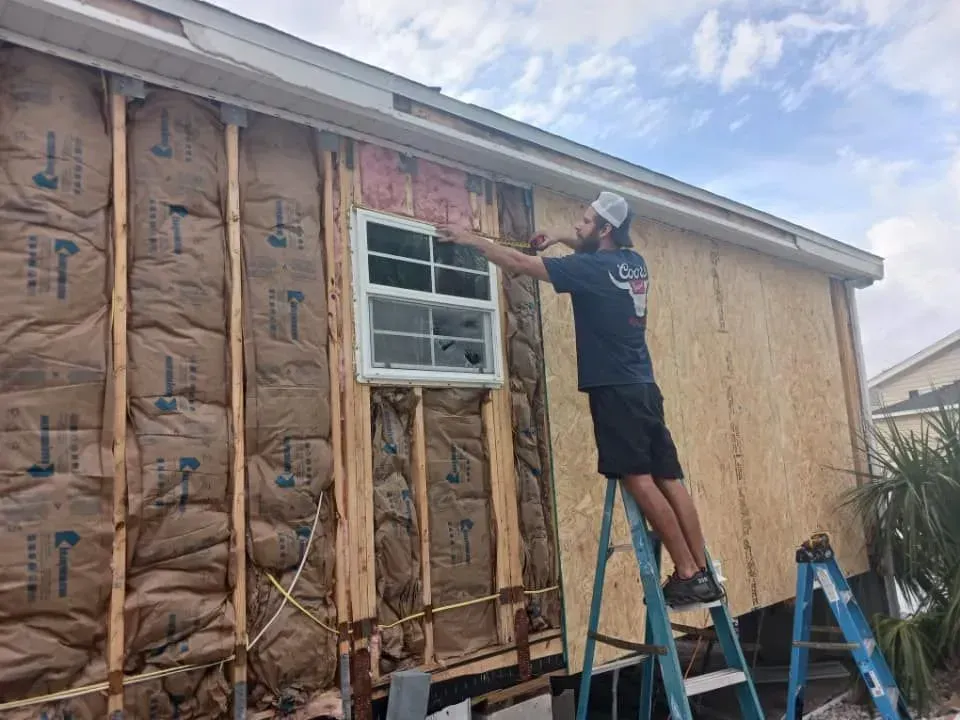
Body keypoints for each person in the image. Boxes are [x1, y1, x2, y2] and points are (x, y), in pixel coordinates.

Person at [437, 191, 724, 607]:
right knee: (669, 478)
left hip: (613, 389)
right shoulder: (633, 262)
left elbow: (518, 263)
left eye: (585, 220)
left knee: (638, 478)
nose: (577, 224)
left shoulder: (591, 269)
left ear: (604, 229)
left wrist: (470, 239)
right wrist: (557, 236)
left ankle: (685, 571)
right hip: (643, 387)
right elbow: (590, 251)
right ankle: (705, 574)